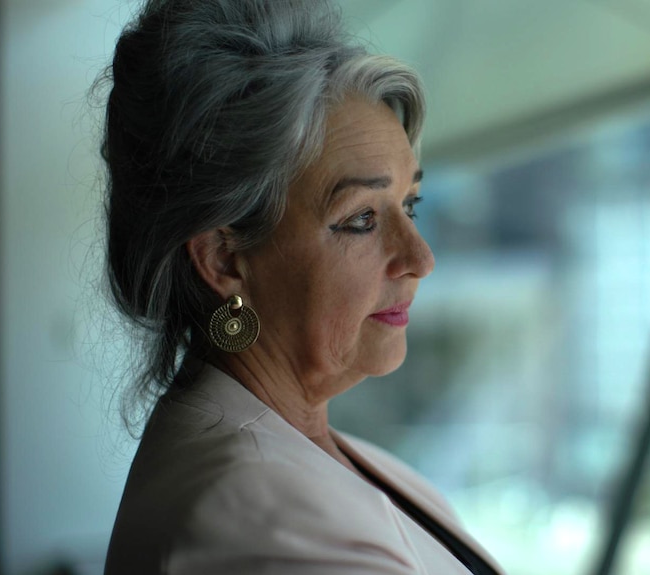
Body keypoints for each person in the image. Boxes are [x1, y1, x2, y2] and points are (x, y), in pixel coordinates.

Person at [100, 1, 506, 573]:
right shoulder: (263, 520)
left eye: (408, 205)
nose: (420, 258)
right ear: (223, 259)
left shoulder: (330, 461)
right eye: (361, 219)